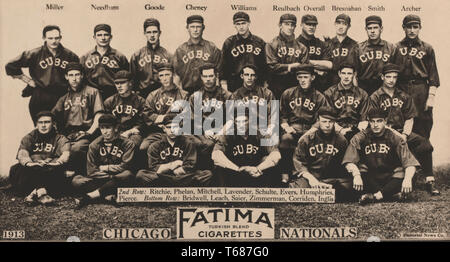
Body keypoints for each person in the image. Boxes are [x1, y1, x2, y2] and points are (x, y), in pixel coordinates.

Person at [368, 63, 439, 195]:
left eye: (394, 77)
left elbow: (409, 118)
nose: (391, 80)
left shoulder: (404, 95)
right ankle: (397, 184)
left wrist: (405, 134)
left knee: (425, 145)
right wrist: (396, 135)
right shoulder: (375, 97)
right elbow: (376, 121)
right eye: (388, 76)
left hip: (402, 131)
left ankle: (429, 180)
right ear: (382, 77)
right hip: (384, 134)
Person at [342, 108, 419, 204]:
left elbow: (410, 163)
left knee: (405, 174)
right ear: (369, 122)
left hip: (390, 177)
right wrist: (356, 175)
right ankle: (390, 196)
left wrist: (407, 179)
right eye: (372, 121)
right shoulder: (360, 137)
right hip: (371, 177)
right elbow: (349, 161)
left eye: (379, 121)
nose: (375, 125)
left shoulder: (395, 138)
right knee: (358, 172)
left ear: (385, 121)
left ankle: (375, 196)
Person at [5, 25, 79, 124]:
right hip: (40, 95)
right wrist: (27, 80)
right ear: (44, 38)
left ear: (60, 38)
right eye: (50, 38)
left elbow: (78, 75)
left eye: (57, 38)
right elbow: (10, 66)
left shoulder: (70, 56)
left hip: (61, 96)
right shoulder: (35, 53)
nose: (54, 41)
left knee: (61, 129)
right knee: (42, 129)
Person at [289, 107, 354, 202]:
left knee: (351, 186)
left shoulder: (341, 140)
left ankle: (320, 193)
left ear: (334, 122)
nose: (327, 125)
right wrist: (312, 180)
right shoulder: (306, 140)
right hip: (311, 177)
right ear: (318, 121)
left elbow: (344, 164)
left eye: (330, 122)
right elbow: (299, 164)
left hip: (331, 179)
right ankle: (327, 194)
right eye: (324, 121)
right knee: (297, 190)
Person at [52, 62, 104, 176]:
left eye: (77, 75)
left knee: (75, 149)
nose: (74, 78)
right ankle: (62, 176)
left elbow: (99, 115)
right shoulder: (64, 97)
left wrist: (89, 132)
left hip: (86, 133)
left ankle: (74, 175)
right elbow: (53, 117)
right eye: (71, 75)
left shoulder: (92, 92)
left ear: (82, 76)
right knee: (58, 150)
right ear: (66, 77)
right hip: (68, 134)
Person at [73, 114, 135, 208]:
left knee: (127, 175)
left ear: (116, 128)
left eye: (108, 128)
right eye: (102, 128)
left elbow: (126, 166)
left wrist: (106, 168)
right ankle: (107, 195)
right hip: (103, 180)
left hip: (118, 178)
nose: (105, 132)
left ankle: (90, 197)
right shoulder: (94, 145)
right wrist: (109, 176)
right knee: (77, 181)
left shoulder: (127, 143)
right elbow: (91, 171)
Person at [393, 14, 440, 139]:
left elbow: (433, 76)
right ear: (404, 28)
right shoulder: (396, 48)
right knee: (400, 127)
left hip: (421, 91)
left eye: (415, 27)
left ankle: (423, 158)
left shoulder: (427, 48)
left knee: (423, 127)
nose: (412, 30)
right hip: (401, 89)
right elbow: (391, 74)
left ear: (420, 28)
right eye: (409, 27)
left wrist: (431, 98)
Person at [279, 64, 329, 181]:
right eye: (300, 77)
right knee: (286, 139)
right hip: (293, 128)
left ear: (312, 77)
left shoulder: (319, 97)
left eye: (305, 77)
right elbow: (282, 114)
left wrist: (311, 131)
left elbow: (322, 118)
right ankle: (285, 173)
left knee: (315, 143)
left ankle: (308, 175)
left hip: (311, 129)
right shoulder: (288, 93)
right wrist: (286, 126)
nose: (302, 80)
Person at [9, 111, 70, 205]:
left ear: (53, 124)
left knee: (60, 173)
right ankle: (42, 193)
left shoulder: (60, 138)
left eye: (47, 122)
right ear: (36, 124)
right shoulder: (29, 137)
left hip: (49, 169)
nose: (43, 125)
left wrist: (54, 163)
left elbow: (65, 154)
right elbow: (22, 154)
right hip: (33, 169)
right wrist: (32, 164)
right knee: (16, 169)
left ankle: (33, 194)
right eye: (40, 122)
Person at [135, 113, 213, 187]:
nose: (172, 130)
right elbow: (155, 169)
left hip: (183, 177)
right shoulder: (155, 146)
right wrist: (173, 164)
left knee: (207, 174)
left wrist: (167, 169)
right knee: (141, 174)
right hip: (163, 178)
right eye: (169, 127)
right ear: (163, 128)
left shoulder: (188, 143)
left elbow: (189, 166)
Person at [211, 112, 281, 187]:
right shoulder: (228, 135)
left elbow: (276, 155)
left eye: (245, 121)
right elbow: (215, 155)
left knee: (267, 159)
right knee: (220, 165)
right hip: (234, 171)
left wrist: (258, 168)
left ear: (250, 121)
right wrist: (237, 169)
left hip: (256, 172)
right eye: (238, 122)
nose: (241, 125)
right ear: (234, 122)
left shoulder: (260, 134)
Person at [189, 63, 234, 170]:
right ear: (201, 77)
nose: (208, 79)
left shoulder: (227, 95)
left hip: (222, 131)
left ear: (216, 76)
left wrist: (221, 132)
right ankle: (205, 173)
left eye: (211, 76)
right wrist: (205, 131)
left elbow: (231, 119)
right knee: (205, 144)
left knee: (220, 145)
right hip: (203, 133)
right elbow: (193, 120)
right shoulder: (195, 96)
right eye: (205, 76)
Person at [140, 63, 188, 153]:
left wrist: (168, 120)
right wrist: (160, 122)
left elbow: (187, 116)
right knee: (143, 147)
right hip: (158, 132)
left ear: (172, 75)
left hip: (178, 132)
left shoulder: (184, 95)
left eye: (167, 75)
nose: (164, 78)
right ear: (158, 78)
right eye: (161, 75)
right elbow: (147, 114)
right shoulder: (153, 95)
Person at [174, 15, 222, 96]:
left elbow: (218, 73)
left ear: (203, 28)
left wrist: (216, 93)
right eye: (192, 27)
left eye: (198, 27)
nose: (195, 30)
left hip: (208, 92)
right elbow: (176, 75)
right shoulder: (181, 50)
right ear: (187, 28)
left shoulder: (211, 47)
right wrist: (179, 94)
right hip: (187, 92)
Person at [220, 12, 268, 92]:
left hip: (256, 83)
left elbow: (265, 66)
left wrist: (265, 83)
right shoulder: (229, 43)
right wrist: (224, 84)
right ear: (234, 25)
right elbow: (224, 66)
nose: (241, 27)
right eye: (238, 24)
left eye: (243, 23)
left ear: (249, 23)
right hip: (235, 84)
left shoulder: (259, 42)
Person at [80, 24, 129, 101]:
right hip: (92, 95)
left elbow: (127, 77)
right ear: (94, 37)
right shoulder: (85, 57)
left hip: (113, 94)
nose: (103, 38)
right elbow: (81, 79)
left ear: (111, 37)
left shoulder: (119, 56)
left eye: (106, 35)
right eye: (99, 35)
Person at [266, 13, 309, 99]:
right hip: (276, 86)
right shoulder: (271, 44)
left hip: (295, 86)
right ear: (280, 25)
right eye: (286, 24)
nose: (290, 27)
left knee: (295, 111)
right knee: (275, 111)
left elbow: (305, 67)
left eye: (292, 25)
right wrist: (290, 66)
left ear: (295, 27)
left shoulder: (302, 47)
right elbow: (271, 67)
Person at [323, 63, 369, 140]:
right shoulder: (329, 93)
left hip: (357, 131)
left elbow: (364, 118)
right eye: (343, 73)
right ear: (339, 74)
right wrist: (341, 130)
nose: (346, 76)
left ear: (354, 74)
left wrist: (356, 131)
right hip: (335, 131)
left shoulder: (362, 94)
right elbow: (327, 117)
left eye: (349, 73)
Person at [130, 18, 173, 98]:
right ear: (145, 34)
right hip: (143, 95)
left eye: (155, 32)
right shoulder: (137, 55)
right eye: (149, 32)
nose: (152, 35)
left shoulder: (168, 55)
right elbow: (132, 80)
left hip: (163, 95)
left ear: (160, 33)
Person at [354, 16, 396, 95]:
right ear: (366, 30)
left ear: (381, 29)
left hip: (384, 87)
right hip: (364, 87)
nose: (372, 31)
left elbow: (395, 73)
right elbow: (354, 73)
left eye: (375, 28)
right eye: (369, 28)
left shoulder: (391, 48)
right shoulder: (358, 48)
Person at [104, 70, 146, 148]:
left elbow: (142, 124)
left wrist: (129, 132)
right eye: (117, 83)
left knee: (132, 144)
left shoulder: (140, 101)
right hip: (114, 133)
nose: (119, 86)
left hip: (133, 133)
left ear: (130, 83)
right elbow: (107, 122)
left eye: (123, 83)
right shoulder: (109, 101)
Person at [233, 64, 277, 137]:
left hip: (263, 129)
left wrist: (270, 129)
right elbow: (231, 117)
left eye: (252, 75)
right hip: (244, 131)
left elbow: (273, 114)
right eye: (246, 75)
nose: (249, 78)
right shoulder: (235, 95)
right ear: (242, 76)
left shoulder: (267, 93)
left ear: (256, 77)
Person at [296, 14, 333, 93]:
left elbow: (329, 65)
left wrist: (307, 62)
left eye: (314, 25)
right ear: (301, 25)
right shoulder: (295, 44)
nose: (311, 27)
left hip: (320, 86)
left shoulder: (322, 44)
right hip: (299, 87)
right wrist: (318, 69)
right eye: (308, 24)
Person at [325, 14, 358, 87]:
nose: (340, 26)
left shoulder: (355, 45)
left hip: (348, 85)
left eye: (344, 24)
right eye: (338, 23)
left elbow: (355, 70)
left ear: (349, 26)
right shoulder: (327, 44)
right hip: (329, 84)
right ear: (335, 24)